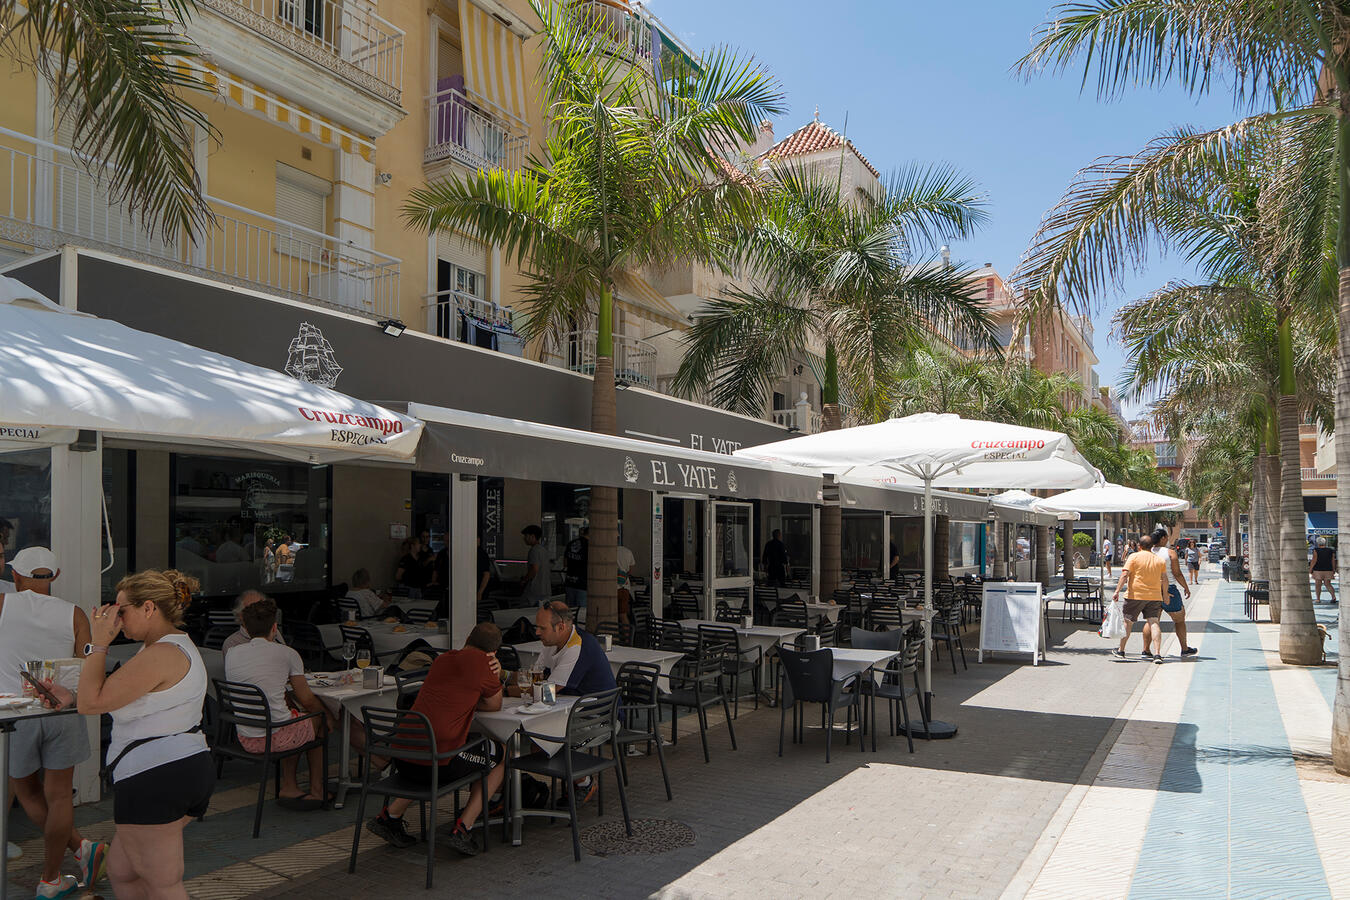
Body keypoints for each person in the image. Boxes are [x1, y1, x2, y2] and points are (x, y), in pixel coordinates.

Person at [72, 569, 215, 900]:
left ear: (149, 608)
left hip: (156, 776)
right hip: (175, 768)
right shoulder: (165, 647)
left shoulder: (161, 654)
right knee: (123, 869)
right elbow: (115, 695)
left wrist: (99, 644)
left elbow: (90, 703)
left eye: (122, 610)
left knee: (163, 883)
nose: (116, 619)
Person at [0, 547, 106, 898]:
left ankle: (72, 860)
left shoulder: (2, 604)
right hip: (62, 711)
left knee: (27, 791)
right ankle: (54, 876)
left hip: (17, 714)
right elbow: (88, 664)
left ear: (15, 575)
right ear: (55, 577)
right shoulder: (74, 613)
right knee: (60, 796)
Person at [366, 623, 506, 857]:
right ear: (494, 652)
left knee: (438, 747)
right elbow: (495, 705)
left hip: (405, 758)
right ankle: (463, 827)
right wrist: (495, 672)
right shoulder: (484, 665)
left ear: (468, 638)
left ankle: (390, 816)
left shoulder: (442, 660)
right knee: (500, 752)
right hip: (438, 764)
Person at [224, 598, 333, 809]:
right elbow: (307, 699)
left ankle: (290, 785)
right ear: (275, 627)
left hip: (246, 735)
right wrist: (326, 715)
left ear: (245, 627)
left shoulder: (232, 652)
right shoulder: (288, 654)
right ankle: (317, 790)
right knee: (317, 720)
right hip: (273, 737)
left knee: (291, 717)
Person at [515, 602, 616, 698]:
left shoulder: (577, 646)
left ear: (560, 627)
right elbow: (532, 678)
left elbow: (547, 692)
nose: (537, 632)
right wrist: (503, 675)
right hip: (574, 708)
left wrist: (505, 691)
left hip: (599, 712)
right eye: (537, 627)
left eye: (543, 628)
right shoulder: (551, 642)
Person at [1111, 535, 1167, 663]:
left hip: (1134, 595)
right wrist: (1166, 595)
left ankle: (1121, 650)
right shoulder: (1159, 560)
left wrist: (1117, 591)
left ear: (1139, 546)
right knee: (1154, 623)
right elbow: (1164, 579)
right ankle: (1157, 654)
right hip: (1154, 596)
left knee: (1128, 622)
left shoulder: (1133, 557)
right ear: (1152, 547)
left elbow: (1125, 575)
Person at [1149, 527, 1195, 657]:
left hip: (1152, 590)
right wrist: (1186, 587)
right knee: (1179, 620)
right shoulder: (1170, 553)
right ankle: (1184, 648)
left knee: (1152, 621)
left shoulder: (1148, 552)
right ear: (1163, 538)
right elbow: (1177, 573)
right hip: (1170, 589)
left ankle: (1146, 650)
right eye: (1167, 537)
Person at [222, 590, 287, 653]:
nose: (258, 614)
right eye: (251, 611)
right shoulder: (232, 643)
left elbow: (285, 655)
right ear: (240, 615)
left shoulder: (274, 631)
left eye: (262, 610)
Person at [520, 525, 552, 602]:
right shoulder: (543, 550)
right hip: (545, 588)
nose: (524, 538)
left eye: (526, 536)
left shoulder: (534, 551)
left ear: (532, 536)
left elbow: (534, 569)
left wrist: (524, 580)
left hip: (535, 589)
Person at [563, 527, 589, 609]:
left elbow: (565, 563)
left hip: (569, 581)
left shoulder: (571, 543)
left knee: (570, 612)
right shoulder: (591, 545)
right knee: (580, 612)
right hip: (583, 583)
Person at [1312, 536, 1337, 604]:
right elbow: (1333, 561)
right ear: (1325, 543)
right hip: (1328, 569)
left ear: (1318, 543)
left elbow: (1314, 560)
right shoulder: (1330, 550)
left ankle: (1318, 599)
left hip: (1318, 569)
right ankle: (1333, 597)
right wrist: (1333, 569)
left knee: (1318, 584)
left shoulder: (1316, 550)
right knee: (1328, 584)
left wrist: (1311, 569)